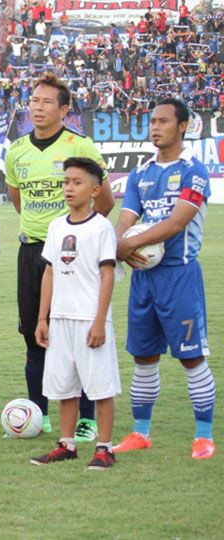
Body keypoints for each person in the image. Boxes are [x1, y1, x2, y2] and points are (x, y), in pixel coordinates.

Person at [3, 72, 114, 439]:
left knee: (78, 331)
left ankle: (85, 419)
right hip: (32, 249)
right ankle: (39, 415)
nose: (38, 107)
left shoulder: (80, 147)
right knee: (34, 335)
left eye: (47, 101)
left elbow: (106, 198)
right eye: (34, 100)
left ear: (64, 110)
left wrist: (78, 233)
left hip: (73, 255)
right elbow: (18, 200)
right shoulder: (17, 150)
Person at [112, 99, 215, 460]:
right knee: (143, 357)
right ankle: (141, 433)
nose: (155, 127)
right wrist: (117, 241)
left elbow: (176, 222)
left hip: (179, 276)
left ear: (183, 126)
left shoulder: (194, 171)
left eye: (163, 121)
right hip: (144, 279)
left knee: (191, 358)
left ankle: (204, 436)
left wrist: (129, 244)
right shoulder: (141, 174)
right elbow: (126, 216)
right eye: (152, 121)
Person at [30, 157, 119, 469]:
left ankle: (105, 448)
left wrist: (99, 321)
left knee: (100, 386)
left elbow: (107, 275)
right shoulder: (56, 227)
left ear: (95, 189)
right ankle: (67, 444)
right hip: (61, 319)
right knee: (64, 385)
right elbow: (50, 274)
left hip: (89, 320)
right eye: (66, 182)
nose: (69, 188)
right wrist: (43, 318)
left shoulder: (101, 227)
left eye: (77, 182)